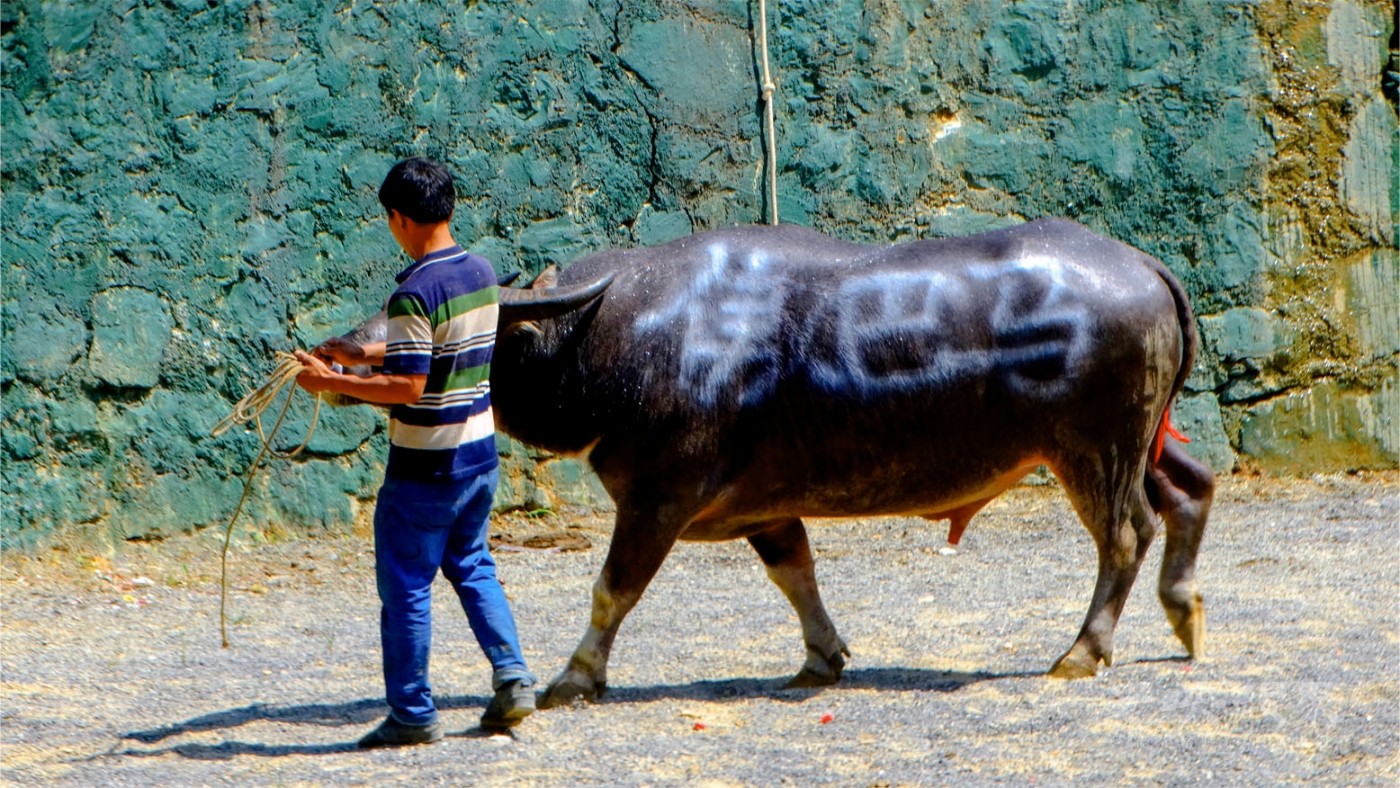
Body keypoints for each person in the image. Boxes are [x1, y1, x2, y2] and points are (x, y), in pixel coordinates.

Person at [293, 157, 535, 747]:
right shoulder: (481, 273)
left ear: (400, 219)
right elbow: (436, 352)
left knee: (405, 586)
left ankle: (412, 713)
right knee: (474, 566)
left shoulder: (412, 292)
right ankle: (514, 678)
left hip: (426, 467)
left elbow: (410, 385)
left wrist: (331, 383)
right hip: (479, 457)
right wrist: (356, 355)